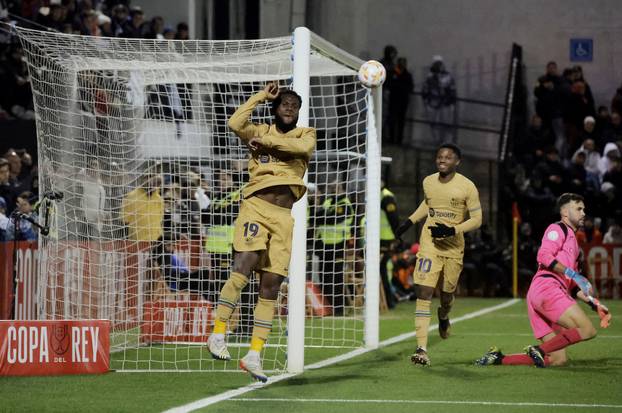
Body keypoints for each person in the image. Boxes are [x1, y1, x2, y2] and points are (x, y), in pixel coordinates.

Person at [207, 82, 316, 382]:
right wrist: (259, 97)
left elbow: (301, 149)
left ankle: (254, 355)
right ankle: (218, 332)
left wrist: (268, 146)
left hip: (284, 217)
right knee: (244, 266)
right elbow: (234, 122)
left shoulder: (305, 134)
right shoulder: (257, 130)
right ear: (275, 106)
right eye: (284, 102)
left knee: (271, 286)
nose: (290, 106)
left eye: (295, 103)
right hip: (255, 207)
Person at [476, 193, 611, 368]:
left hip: (543, 294)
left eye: (584, 209)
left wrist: (595, 304)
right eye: (579, 208)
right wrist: (574, 274)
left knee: (557, 360)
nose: (583, 213)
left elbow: (573, 289)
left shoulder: (576, 249)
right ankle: (538, 349)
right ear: (564, 211)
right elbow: (544, 255)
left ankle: (498, 358)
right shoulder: (558, 229)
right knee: (587, 330)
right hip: (548, 288)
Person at [395, 143, 482, 365]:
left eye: (448, 157)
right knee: (424, 291)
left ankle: (443, 316)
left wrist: (453, 229)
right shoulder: (428, 181)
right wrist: (409, 221)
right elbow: (428, 204)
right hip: (430, 244)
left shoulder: (467, 186)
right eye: (440, 156)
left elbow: (477, 219)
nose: (442, 160)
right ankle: (421, 348)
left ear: (457, 161)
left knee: (446, 295)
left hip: (453, 246)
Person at [313, 178, 354, 316]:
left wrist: (323, 217)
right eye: (331, 187)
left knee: (336, 278)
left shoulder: (345, 204)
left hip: (338, 245)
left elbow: (334, 219)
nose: (332, 190)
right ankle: (327, 307)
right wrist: (324, 217)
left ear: (341, 188)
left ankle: (338, 308)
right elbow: (315, 217)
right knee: (323, 276)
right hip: (323, 245)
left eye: (334, 187)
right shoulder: (328, 201)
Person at [421, 56, 457, 144]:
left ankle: (445, 142)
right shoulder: (429, 77)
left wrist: (451, 101)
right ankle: (436, 141)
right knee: (433, 124)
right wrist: (427, 101)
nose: (438, 65)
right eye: (436, 63)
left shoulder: (448, 76)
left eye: (439, 63)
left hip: (445, 104)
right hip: (433, 104)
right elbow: (425, 90)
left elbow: (452, 89)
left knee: (446, 123)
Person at [121, 171, 164, 242]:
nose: (150, 180)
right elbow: (125, 221)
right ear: (142, 179)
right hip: (137, 241)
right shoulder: (131, 196)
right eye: (147, 177)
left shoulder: (159, 199)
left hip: (155, 241)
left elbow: (160, 221)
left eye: (152, 177)